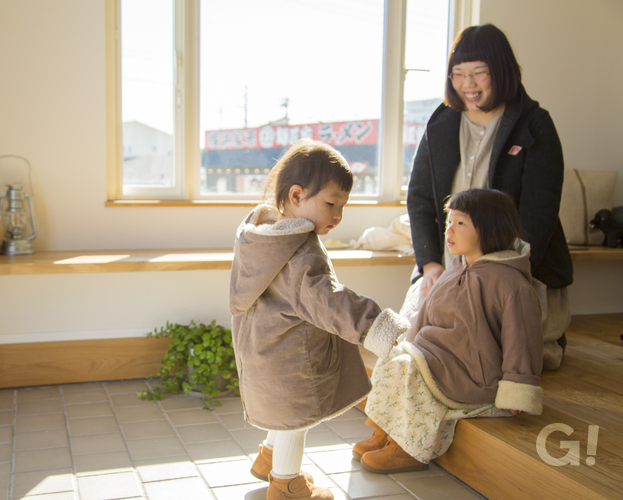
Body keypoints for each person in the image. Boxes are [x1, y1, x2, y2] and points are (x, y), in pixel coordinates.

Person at [229, 139, 410, 500]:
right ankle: (287, 485)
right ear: (296, 195)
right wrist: (376, 326)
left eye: (343, 205)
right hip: (292, 359)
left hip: (264, 351)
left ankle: (268, 459)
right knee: (296, 421)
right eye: (331, 203)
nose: (338, 215)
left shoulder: (261, 237)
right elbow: (327, 300)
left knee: (282, 415)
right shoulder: (300, 251)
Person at [404, 24, 573, 370]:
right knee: (416, 344)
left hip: (513, 270)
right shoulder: (442, 123)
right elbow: (420, 199)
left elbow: (539, 214)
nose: (468, 84)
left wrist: (499, 275)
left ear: (502, 71)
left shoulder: (535, 124)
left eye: (480, 73)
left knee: (501, 354)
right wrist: (430, 264)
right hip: (450, 265)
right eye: (458, 74)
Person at [354, 188, 544, 473]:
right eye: (449, 223)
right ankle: (385, 430)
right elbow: (424, 315)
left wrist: (518, 389)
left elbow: (522, 340)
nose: (449, 230)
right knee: (394, 360)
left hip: (474, 373)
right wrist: (409, 345)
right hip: (437, 357)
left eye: (461, 223)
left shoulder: (511, 283)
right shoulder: (456, 268)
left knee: (413, 373)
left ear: (490, 227)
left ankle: (409, 447)